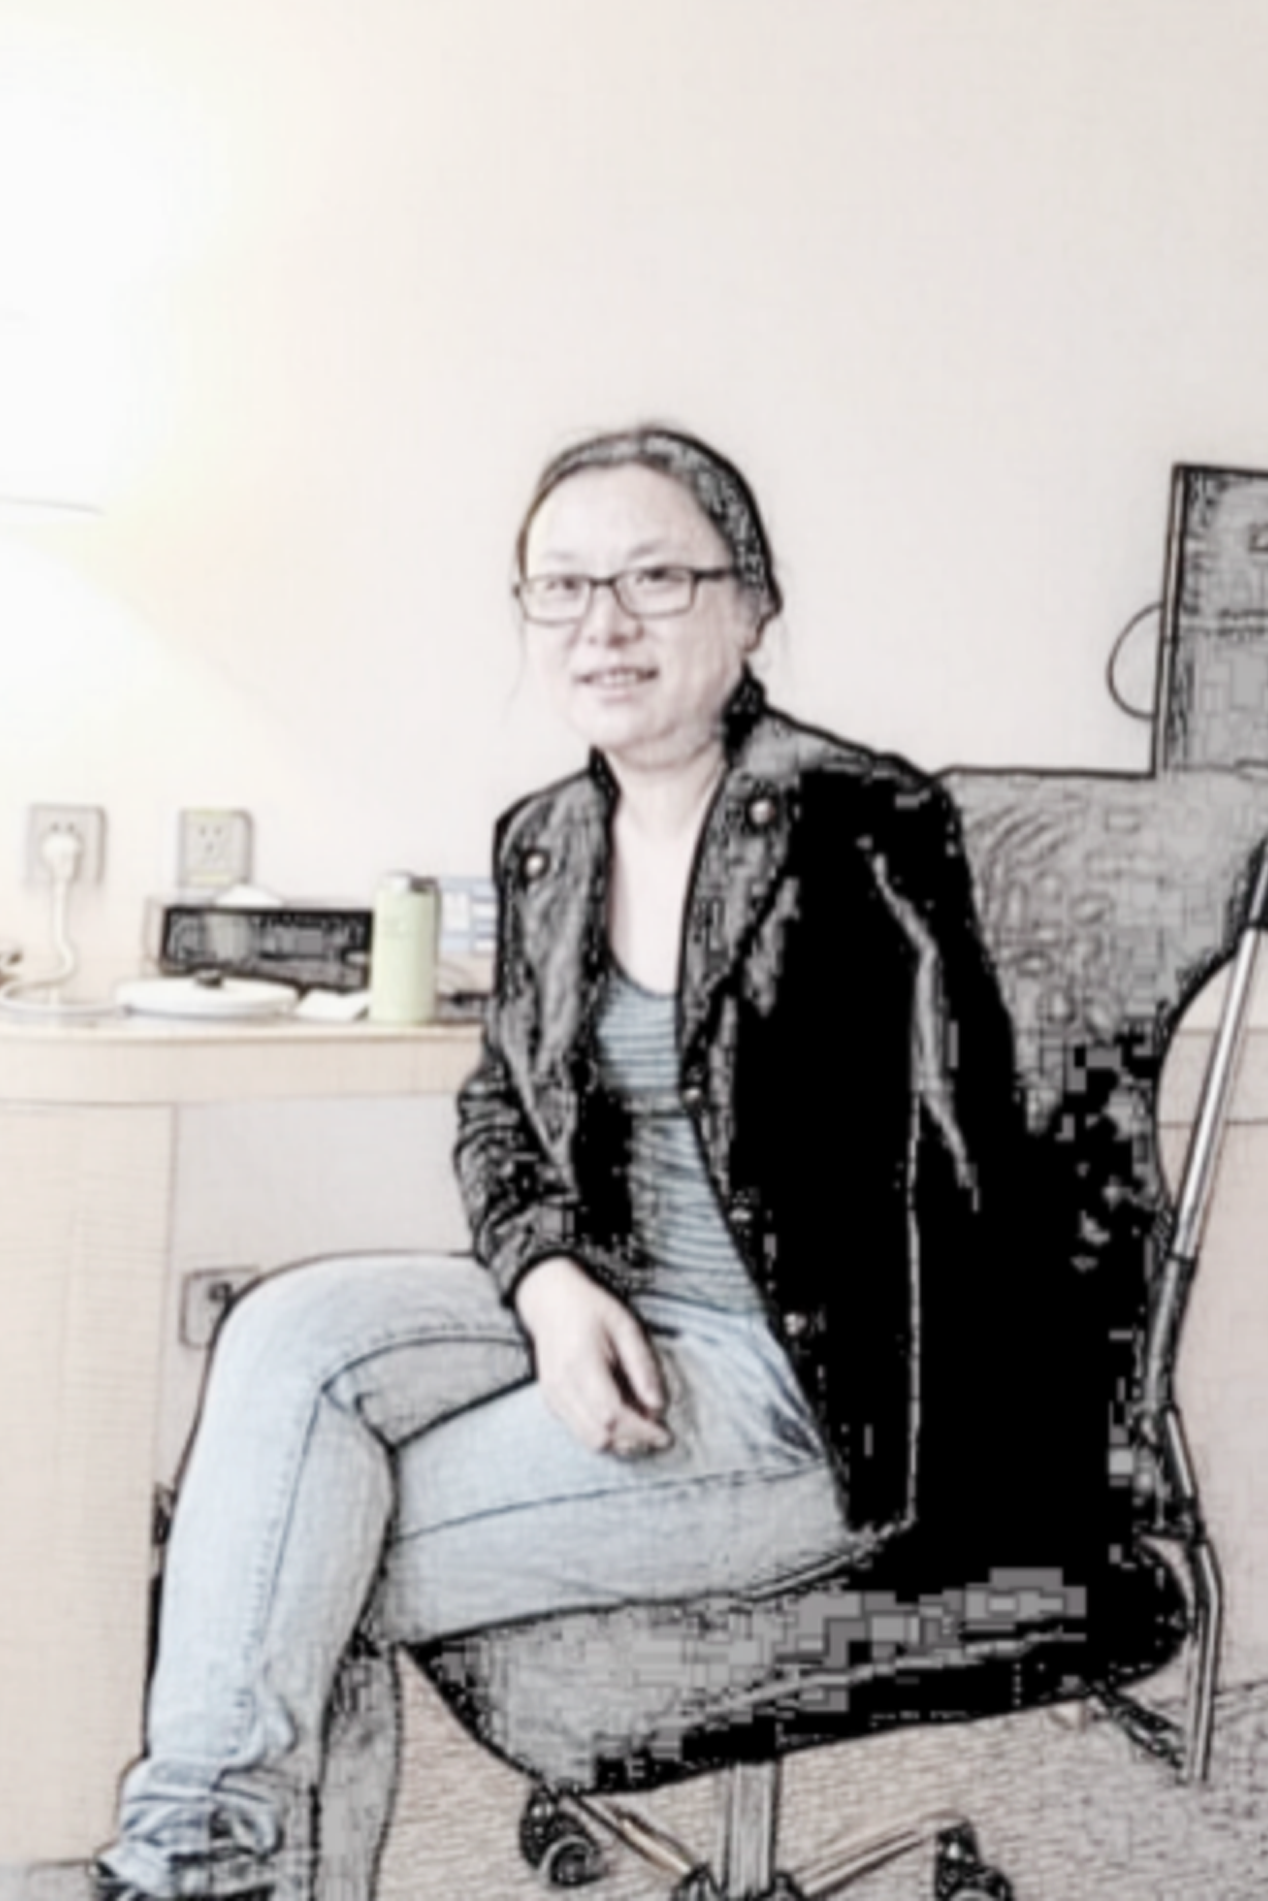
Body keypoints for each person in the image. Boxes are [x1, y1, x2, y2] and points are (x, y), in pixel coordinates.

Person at [94, 424, 1033, 1901]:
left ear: (751, 606)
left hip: (791, 1381)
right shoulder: (545, 841)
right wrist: (544, 1279)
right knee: (288, 1336)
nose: (604, 623)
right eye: (563, 585)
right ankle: (201, 1862)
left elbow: (968, 1150)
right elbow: (499, 1115)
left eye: (657, 578)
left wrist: (1003, 1471)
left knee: (291, 1566)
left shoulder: (858, 825)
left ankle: (199, 1869)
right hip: (611, 1304)